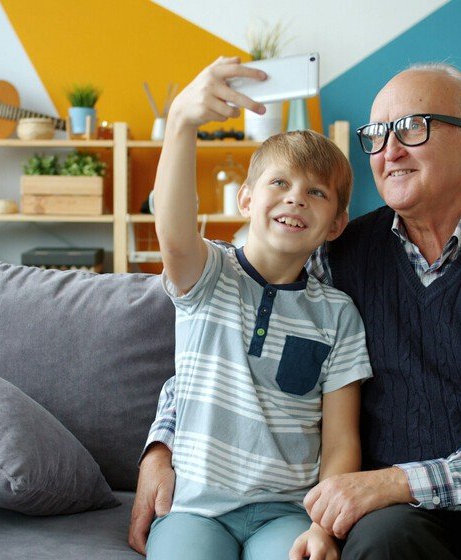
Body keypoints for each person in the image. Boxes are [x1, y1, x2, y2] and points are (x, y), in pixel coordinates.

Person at [130, 61, 461, 559]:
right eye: (378, 135)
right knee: (379, 547)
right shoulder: (335, 255)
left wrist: (397, 483)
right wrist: (162, 446)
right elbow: (227, 347)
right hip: (401, 505)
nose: (391, 150)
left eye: (413, 127)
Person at [139, 56, 373, 560]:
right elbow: (174, 231)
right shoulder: (207, 275)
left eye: (316, 192)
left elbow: (339, 442)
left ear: (335, 224)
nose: (296, 199)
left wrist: (322, 527)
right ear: (245, 200)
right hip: (194, 510)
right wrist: (182, 121)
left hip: (286, 512)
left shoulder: (338, 315)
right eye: (279, 184)